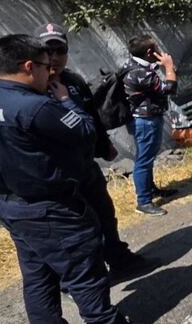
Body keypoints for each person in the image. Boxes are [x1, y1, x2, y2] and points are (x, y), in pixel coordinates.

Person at [0, 34, 127, 324]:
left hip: (10, 205)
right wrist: (66, 101)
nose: (51, 71)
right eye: (46, 66)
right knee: (85, 275)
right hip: (52, 209)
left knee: (38, 278)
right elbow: (85, 132)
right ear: (30, 66)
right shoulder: (36, 106)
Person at [34, 23, 144, 273]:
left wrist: (105, 145)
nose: (54, 57)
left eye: (60, 50)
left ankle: (118, 257)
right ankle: (89, 274)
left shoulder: (73, 80)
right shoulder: (32, 87)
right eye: (47, 50)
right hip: (58, 174)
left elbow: (92, 115)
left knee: (105, 213)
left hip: (86, 165)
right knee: (79, 227)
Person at [122, 35, 178, 216]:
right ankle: (143, 202)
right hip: (145, 121)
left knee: (147, 157)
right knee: (144, 160)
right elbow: (169, 88)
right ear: (148, 52)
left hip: (142, 119)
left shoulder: (131, 65)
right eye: (156, 49)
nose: (159, 52)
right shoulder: (140, 73)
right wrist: (169, 67)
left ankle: (150, 189)